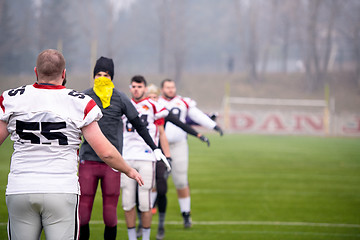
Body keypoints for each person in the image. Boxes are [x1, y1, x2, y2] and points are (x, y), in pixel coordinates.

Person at [0, 49, 143, 240]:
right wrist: (128, 170)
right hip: (60, 188)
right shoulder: (79, 102)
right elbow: (106, 153)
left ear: (36, 71)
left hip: (20, 187)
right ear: (64, 74)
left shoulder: (11, 98)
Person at [78, 57, 168, 240]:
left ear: (112, 77)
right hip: (88, 159)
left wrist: (154, 147)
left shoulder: (119, 98)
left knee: (110, 214)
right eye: (98, 74)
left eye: (106, 75)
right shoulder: (85, 96)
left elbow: (139, 124)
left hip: (113, 162)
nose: (102, 78)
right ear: (93, 76)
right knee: (83, 213)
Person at [145, 84, 211, 239]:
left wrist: (201, 134)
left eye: (155, 97)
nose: (153, 100)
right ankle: (143, 221)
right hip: (145, 151)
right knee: (145, 186)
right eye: (151, 97)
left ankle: (170, 221)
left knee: (169, 184)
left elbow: (182, 123)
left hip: (165, 150)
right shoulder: (139, 109)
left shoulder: (165, 110)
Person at [158, 78, 223, 229]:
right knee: (156, 181)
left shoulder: (184, 102)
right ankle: (147, 213)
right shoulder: (155, 102)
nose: (170, 90)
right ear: (162, 89)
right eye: (167, 87)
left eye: (172, 87)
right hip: (159, 147)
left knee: (181, 181)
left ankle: (186, 214)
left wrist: (213, 125)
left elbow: (198, 116)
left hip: (179, 145)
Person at [121, 75, 170, 240]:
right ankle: (132, 237)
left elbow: (165, 119)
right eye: (133, 86)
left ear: (145, 88)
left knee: (145, 202)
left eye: (139, 86)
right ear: (130, 88)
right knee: (127, 202)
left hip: (146, 156)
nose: (136, 89)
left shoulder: (153, 105)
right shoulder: (124, 104)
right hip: (126, 157)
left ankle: (146, 237)